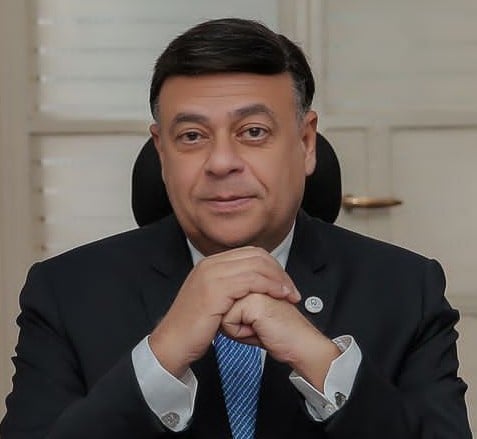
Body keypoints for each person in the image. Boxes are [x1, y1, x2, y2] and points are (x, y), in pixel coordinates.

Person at [0, 18, 472, 439]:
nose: (221, 162)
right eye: (192, 136)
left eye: (253, 132)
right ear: (161, 151)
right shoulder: (67, 292)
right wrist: (161, 357)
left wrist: (321, 362)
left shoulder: (405, 289)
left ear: (306, 143)